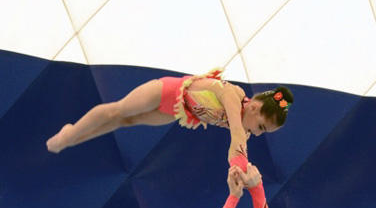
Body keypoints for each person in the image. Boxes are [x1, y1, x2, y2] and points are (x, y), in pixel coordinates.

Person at [46, 69, 293, 155]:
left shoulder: (244, 123)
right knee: (118, 110)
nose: (258, 134)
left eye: (264, 132)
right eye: (261, 126)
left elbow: (240, 137)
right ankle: (68, 135)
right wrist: (239, 159)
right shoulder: (234, 95)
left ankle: (74, 139)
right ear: (254, 106)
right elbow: (237, 137)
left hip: (175, 112)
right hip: (165, 91)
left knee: (127, 121)